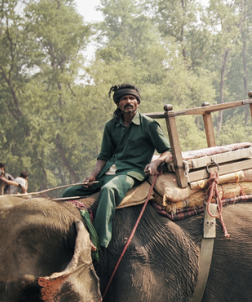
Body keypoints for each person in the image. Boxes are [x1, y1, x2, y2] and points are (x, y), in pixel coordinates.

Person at [62, 84, 172, 249]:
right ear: (118, 104)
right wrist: (93, 176)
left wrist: (155, 162)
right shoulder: (110, 126)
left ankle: (99, 241)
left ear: (138, 102)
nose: (128, 101)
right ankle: (64, 231)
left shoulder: (148, 125)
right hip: (108, 171)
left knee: (109, 190)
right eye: (123, 99)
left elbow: (167, 151)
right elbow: (103, 156)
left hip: (131, 172)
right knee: (69, 192)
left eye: (131, 98)